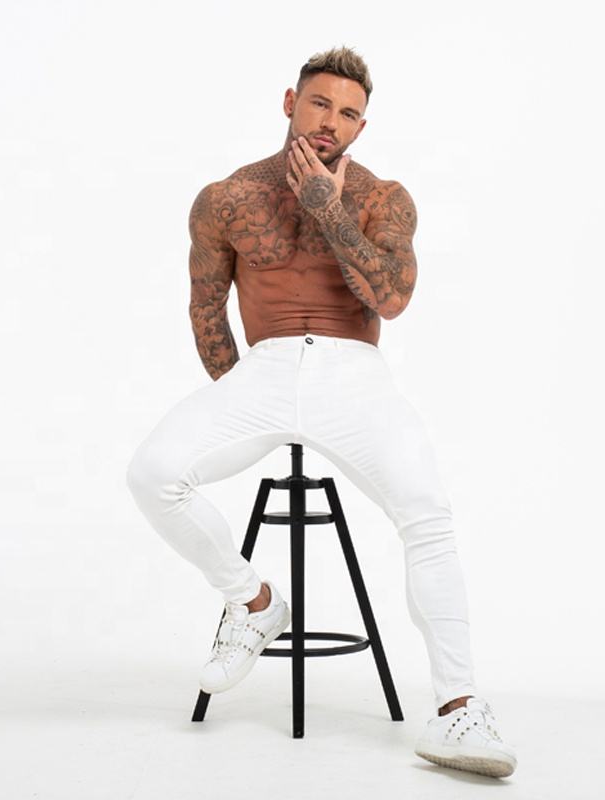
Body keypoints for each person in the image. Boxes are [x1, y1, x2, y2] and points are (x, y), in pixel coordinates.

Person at [126, 45, 517, 778]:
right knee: (153, 473)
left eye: (348, 113)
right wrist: (244, 397)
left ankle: (459, 710)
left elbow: (391, 301)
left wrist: (330, 212)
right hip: (266, 366)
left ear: (362, 127)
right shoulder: (227, 198)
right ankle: (253, 603)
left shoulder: (382, 197)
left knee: (428, 515)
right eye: (319, 104)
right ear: (289, 102)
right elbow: (206, 309)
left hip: (353, 371)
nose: (330, 122)